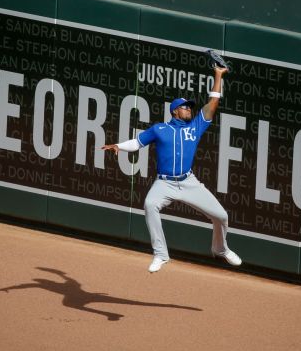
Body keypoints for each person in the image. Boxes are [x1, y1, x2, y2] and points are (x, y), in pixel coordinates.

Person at [102, 65, 242, 273]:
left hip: (188, 182)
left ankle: (220, 248)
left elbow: (213, 102)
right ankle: (160, 254)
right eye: (185, 107)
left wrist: (218, 75)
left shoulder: (195, 126)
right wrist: (118, 146)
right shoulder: (159, 129)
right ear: (175, 110)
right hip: (164, 182)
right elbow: (137, 143)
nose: (189, 109)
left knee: (221, 216)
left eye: (190, 107)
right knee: (150, 204)